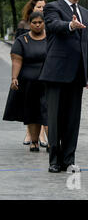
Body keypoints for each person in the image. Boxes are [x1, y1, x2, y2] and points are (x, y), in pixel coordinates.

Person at [39, 0, 88, 173]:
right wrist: (70, 25)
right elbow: (54, 26)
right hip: (56, 73)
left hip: (77, 74)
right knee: (55, 118)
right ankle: (54, 160)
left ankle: (69, 159)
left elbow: (87, 45)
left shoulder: (85, 13)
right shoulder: (52, 7)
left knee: (72, 120)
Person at [3, 12, 48, 152]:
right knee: (32, 113)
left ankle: (52, 142)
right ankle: (34, 141)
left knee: (48, 112)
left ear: (44, 23)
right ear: (30, 23)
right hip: (28, 82)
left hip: (47, 81)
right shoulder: (22, 40)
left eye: (40, 22)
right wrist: (14, 78)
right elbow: (17, 60)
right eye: (34, 22)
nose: (38, 25)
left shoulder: (51, 38)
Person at [16, 0, 49, 148]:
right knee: (31, 106)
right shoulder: (24, 26)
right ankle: (31, 134)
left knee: (45, 107)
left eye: (44, 7)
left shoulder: (49, 27)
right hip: (29, 73)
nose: (41, 9)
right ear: (32, 8)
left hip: (45, 74)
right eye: (39, 7)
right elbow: (18, 52)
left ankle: (42, 134)